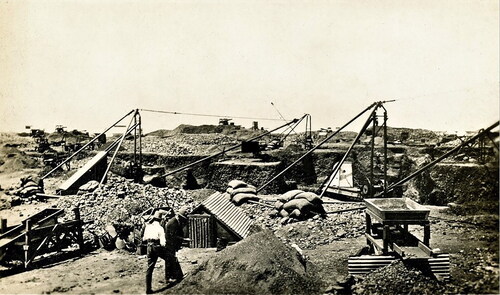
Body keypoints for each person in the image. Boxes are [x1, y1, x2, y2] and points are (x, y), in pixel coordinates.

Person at [142, 210, 167, 294]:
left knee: (150, 267)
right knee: (170, 258)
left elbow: (144, 238)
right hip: (156, 246)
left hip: (149, 246)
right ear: (160, 220)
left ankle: (148, 289)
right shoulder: (160, 228)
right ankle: (175, 277)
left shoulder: (148, 226)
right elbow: (163, 243)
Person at [163, 207, 189, 284]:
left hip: (172, 244)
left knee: (172, 260)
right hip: (169, 244)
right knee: (169, 260)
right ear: (179, 216)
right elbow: (173, 236)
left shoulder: (176, 221)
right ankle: (168, 278)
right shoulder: (172, 223)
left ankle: (175, 276)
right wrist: (184, 239)